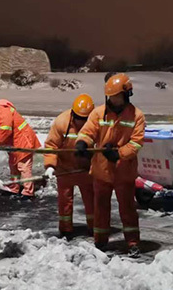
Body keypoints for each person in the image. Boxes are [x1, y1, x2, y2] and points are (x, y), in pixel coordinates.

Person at [75, 73, 145, 257]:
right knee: (100, 208)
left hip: (124, 172)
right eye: (111, 97)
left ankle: (132, 242)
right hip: (102, 171)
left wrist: (119, 154)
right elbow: (88, 132)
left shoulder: (137, 116)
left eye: (117, 97)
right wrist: (82, 142)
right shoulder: (98, 113)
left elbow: (136, 143)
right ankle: (100, 241)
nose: (114, 100)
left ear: (127, 94)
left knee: (128, 209)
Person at [43, 94, 95, 238]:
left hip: (86, 170)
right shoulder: (62, 122)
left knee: (92, 201)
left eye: (85, 119)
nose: (81, 121)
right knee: (65, 202)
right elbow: (51, 145)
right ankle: (66, 230)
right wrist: (50, 165)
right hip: (65, 170)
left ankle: (95, 227)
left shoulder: (96, 123)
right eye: (79, 118)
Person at [0, 94, 40, 198]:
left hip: (24, 140)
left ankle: (28, 192)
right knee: (13, 165)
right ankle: (15, 187)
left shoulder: (1, 109)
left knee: (23, 166)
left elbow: (5, 130)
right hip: (14, 143)